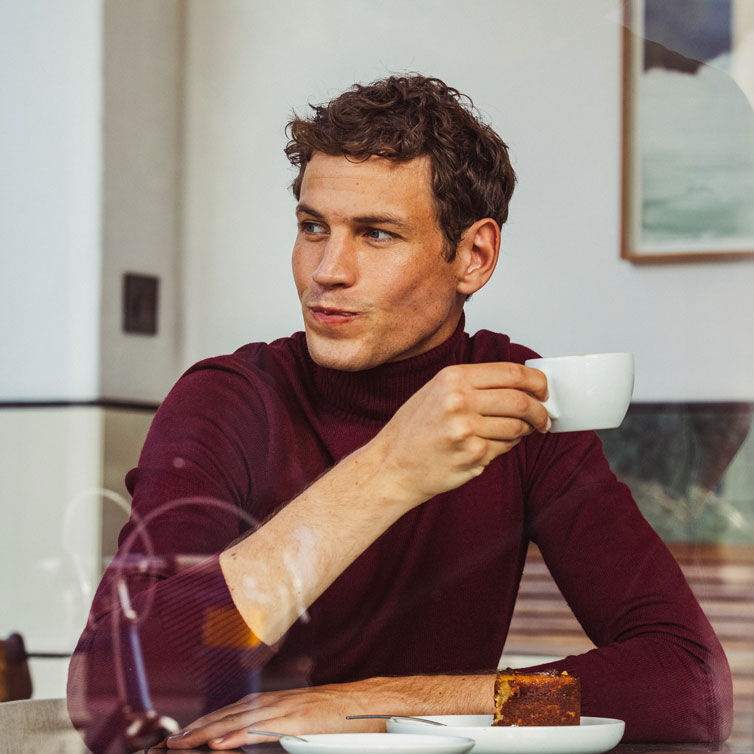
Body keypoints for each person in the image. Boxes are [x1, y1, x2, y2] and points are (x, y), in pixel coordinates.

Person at [67, 74, 733, 752]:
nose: (327, 269)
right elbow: (119, 703)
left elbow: (690, 689)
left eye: (377, 234)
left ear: (474, 256)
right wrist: (389, 471)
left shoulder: (517, 404)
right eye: (312, 227)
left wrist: (390, 703)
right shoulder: (230, 403)